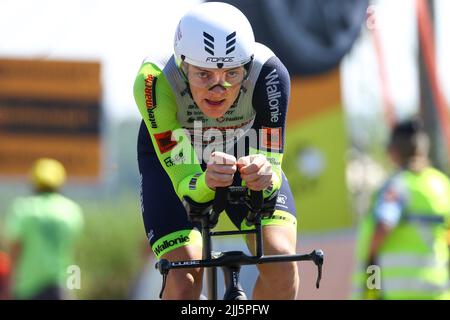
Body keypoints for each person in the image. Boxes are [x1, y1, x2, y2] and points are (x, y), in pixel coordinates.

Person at [134, 2, 299, 299]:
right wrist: (205, 182)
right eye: (203, 75)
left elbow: (272, 171)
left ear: (247, 67)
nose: (218, 89)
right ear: (183, 67)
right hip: (175, 167)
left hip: (240, 156)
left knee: (282, 262)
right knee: (183, 281)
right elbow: (186, 185)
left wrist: (264, 175)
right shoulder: (153, 80)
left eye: (232, 74)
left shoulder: (271, 74)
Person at [351, 119, 450, 300]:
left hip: (398, 292)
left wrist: (370, 261)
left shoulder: (397, 187)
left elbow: (384, 225)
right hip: (438, 291)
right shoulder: (443, 185)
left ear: (393, 151)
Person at [4, 158, 84, 300]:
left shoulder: (23, 210)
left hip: (28, 288)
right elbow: (72, 254)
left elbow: (15, 252)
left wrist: (8, 287)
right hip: (60, 287)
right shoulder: (71, 211)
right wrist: (74, 288)